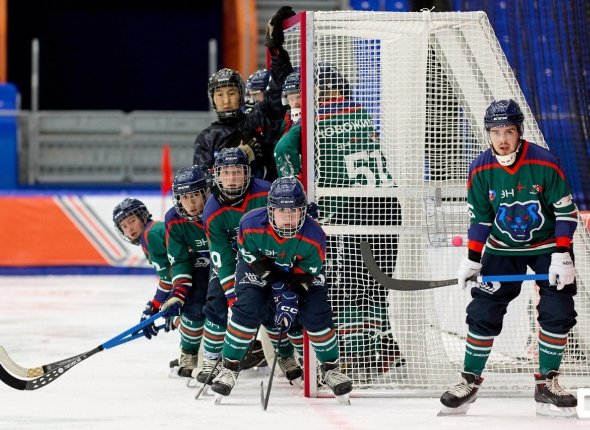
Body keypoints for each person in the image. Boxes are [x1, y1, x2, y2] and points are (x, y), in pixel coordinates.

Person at [439, 99, 579, 417]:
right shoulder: (480, 168)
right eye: (496, 132)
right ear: (488, 134)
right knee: (483, 310)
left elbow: (565, 213)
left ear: (519, 132)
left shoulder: (544, 162)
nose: (502, 139)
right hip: (502, 248)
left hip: (548, 247)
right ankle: (469, 381)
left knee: (557, 310)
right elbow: (481, 220)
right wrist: (473, 259)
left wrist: (562, 254)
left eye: (509, 131)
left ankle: (547, 383)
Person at [210, 177, 353, 400]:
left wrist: (292, 295)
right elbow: (251, 257)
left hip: (299, 273)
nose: (288, 217)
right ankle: (229, 367)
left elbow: (308, 273)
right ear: (270, 210)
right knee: (248, 308)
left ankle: (330, 369)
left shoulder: (315, 235)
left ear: (303, 211)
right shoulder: (250, 224)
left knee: (316, 313)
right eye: (282, 211)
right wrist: (278, 288)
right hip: (259, 268)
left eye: (294, 211)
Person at [198, 146, 274, 385]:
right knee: (215, 300)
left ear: (247, 173)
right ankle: (211, 358)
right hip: (232, 260)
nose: (232, 178)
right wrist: (233, 296)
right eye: (226, 172)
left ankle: (286, 356)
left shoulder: (267, 193)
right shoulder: (212, 210)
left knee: (275, 302)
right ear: (217, 175)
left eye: (237, 172)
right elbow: (221, 257)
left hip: (265, 257)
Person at [192, 6, 296, 181]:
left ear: (241, 95)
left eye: (231, 93)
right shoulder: (206, 138)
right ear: (213, 100)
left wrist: (275, 48)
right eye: (219, 95)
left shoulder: (259, 117)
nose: (226, 100)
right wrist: (238, 158)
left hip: (268, 194)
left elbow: (278, 89)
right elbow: (203, 182)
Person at [157, 166, 211, 378]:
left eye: (195, 195)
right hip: (200, 266)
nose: (191, 203)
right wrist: (177, 293)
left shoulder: (218, 209)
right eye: (185, 197)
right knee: (193, 304)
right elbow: (180, 260)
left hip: (229, 264)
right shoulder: (173, 218)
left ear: (206, 192)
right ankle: (189, 352)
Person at [112, 198, 171, 351]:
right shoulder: (154, 229)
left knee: (183, 316)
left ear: (143, 216)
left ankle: (199, 356)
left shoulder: (150, 235)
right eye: (124, 226)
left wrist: (155, 305)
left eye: (132, 221)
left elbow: (168, 279)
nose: (129, 228)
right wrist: (156, 305)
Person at [273, 69, 303, 178]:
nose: (295, 103)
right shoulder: (287, 120)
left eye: (299, 97)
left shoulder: (318, 116)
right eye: (291, 99)